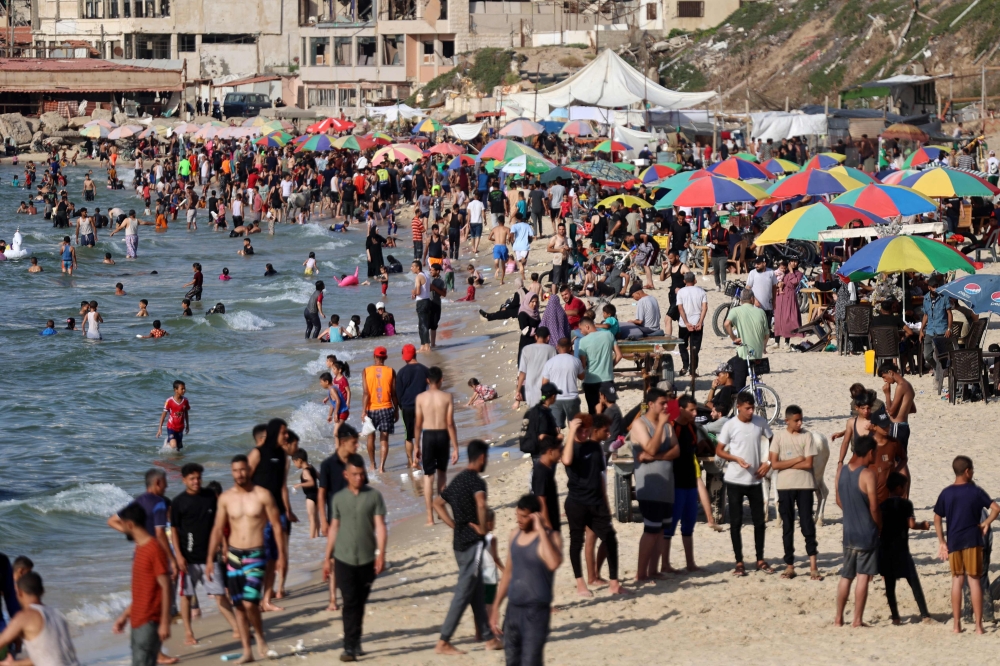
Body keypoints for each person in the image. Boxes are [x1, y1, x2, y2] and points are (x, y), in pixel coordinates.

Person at [206, 454, 285, 662]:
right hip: (233, 556)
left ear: (249, 470)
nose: (239, 474)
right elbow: (217, 529)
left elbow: (277, 526)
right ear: (231, 472)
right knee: (239, 606)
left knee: (250, 603)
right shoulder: (226, 498)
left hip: (256, 554)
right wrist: (209, 559)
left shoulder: (262, 495)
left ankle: (260, 638)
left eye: (242, 470)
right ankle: (247, 651)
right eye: (235, 471)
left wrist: (281, 555)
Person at [433, 440, 502, 655]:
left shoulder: (458, 480)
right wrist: (483, 529)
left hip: (459, 543)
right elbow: (481, 504)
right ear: (481, 457)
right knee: (463, 593)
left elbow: (437, 504)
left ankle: (489, 638)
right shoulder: (476, 482)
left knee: (476, 591)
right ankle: (444, 641)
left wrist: (454, 525)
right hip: (473, 545)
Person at [322, 453, 387, 662]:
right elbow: (334, 528)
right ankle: (349, 647)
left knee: (360, 601)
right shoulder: (338, 499)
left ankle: (356, 640)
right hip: (344, 558)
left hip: (367, 559)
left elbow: (380, 527)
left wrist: (381, 554)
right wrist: (327, 557)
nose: (359, 478)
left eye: (361, 474)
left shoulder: (374, 496)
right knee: (350, 601)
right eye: (354, 474)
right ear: (346, 475)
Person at [488, 494, 562, 666]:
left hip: (535, 612)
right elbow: (508, 573)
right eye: (517, 515)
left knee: (530, 661)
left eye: (524, 516)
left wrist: (541, 529)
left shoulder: (551, 538)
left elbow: (553, 563)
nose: (519, 520)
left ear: (535, 516)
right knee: (512, 661)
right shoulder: (514, 535)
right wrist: (496, 607)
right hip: (513, 610)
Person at [170, 463, 238, 646]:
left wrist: (224, 545)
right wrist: (178, 556)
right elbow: (174, 530)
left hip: (210, 558)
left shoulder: (210, 497)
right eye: (192, 478)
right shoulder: (178, 502)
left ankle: (236, 628)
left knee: (220, 594)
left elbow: (218, 523)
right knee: (186, 596)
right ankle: (188, 632)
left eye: (198, 478)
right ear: (184, 480)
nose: (196, 481)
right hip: (188, 560)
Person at [933, 455, 1000, 634]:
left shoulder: (946, 493)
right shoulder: (975, 491)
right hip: (973, 540)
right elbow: (996, 509)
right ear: (967, 471)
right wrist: (986, 523)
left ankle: (957, 625)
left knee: (957, 580)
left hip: (954, 541)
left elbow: (937, 518)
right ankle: (978, 626)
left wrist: (942, 542)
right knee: (974, 580)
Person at [562, 414, 625, 596]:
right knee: (576, 541)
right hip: (576, 502)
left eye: (586, 430)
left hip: (596, 502)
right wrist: (571, 432)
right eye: (580, 431)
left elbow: (600, 477)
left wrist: (605, 503)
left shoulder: (595, 446)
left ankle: (614, 584)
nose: (583, 434)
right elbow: (566, 460)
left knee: (610, 538)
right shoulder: (570, 447)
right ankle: (581, 583)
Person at [716, 393, 774, 576]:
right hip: (735, 480)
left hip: (755, 480)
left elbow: (773, 442)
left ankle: (760, 559)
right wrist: (735, 458)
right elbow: (719, 450)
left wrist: (768, 462)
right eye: (747, 408)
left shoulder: (760, 422)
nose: (751, 412)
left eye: (752, 408)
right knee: (736, 522)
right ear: (739, 407)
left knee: (759, 522)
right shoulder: (730, 425)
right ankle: (739, 562)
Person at [111, 503, 172, 666]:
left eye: (123, 525)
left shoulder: (153, 549)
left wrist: (165, 622)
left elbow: (166, 586)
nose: (122, 529)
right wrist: (124, 616)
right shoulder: (140, 548)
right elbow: (142, 591)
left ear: (130, 524)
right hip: (138, 620)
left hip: (149, 621)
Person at [630, 388, 679, 580]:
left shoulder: (667, 425)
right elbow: (649, 447)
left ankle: (654, 571)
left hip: (666, 486)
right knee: (651, 531)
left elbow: (676, 451)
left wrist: (657, 457)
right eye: (662, 403)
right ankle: (641, 573)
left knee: (661, 530)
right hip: (649, 486)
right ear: (651, 404)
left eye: (667, 403)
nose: (666, 406)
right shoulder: (639, 424)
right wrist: (660, 427)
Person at [768, 405, 821, 580]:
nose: (800, 423)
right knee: (787, 527)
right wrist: (797, 459)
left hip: (805, 485)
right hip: (785, 486)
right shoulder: (779, 437)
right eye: (796, 420)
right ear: (787, 421)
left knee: (807, 524)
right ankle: (789, 565)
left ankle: (813, 566)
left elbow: (808, 464)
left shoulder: (807, 436)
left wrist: (787, 463)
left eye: (801, 420)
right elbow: (774, 464)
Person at [247, 419, 294, 611]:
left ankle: (266, 600)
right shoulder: (257, 453)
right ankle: (256, 598)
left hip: (278, 513)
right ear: (275, 433)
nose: (287, 436)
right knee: (260, 558)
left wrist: (287, 510)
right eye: (284, 432)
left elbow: (282, 485)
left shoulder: (282, 455)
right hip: (260, 514)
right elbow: (244, 480)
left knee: (274, 558)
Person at [834, 435, 880, 628]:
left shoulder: (842, 471)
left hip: (849, 532)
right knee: (863, 576)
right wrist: (878, 526)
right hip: (865, 533)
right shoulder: (868, 474)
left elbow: (838, 500)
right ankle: (857, 619)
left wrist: (852, 512)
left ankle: (838, 618)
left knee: (846, 576)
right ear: (869, 452)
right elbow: (874, 507)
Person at [317, 424, 361, 612]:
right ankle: (333, 599)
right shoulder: (327, 465)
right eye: (354, 443)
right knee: (334, 560)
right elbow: (321, 494)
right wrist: (323, 520)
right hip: (334, 519)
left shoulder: (357, 462)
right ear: (343, 442)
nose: (357, 446)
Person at [880, 472, 932, 624]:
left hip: (886, 548)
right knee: (914, 582)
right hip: (901, 549)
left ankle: (895, 617)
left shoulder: (882, 505)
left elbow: (878, 526)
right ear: (898, 488)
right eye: (904, 487)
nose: (905, 490)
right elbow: (911, 524)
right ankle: (925, 615)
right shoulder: (906, 504)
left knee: (890, 585)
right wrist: (922, 526)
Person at [0, 571, 81, 666]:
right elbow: (47, 656)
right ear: (42, 591)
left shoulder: (24, 616)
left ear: (19, 592)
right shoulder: (57, 615)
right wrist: (13, 664)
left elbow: (2, 641)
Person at [415, 366, 460, 525]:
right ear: (441, 380)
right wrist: (455, 447)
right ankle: (441, 511)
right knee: (442, 474)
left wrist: (416, 446)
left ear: (427, 380)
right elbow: (450, 423)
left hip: (428, 436)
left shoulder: (420, 398)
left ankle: (430, 517)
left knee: (428, 476)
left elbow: (418, 424)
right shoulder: (447, 397)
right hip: (442, 435)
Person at [362, 346, 398, 474]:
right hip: (387, 408)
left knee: (370, 437)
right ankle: (382, 467)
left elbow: (366, 393)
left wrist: (363, 411)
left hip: (371, 409)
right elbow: (394, 394)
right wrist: (396, 410)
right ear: (385, 357)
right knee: (384, 438)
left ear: (374, 356)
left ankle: (372, 465)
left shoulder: (366, 371)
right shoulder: (391, 371)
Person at [723, 290, 770, 389]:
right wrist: (764, 347)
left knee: (729, 367)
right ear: (752, 299)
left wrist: (734, 338)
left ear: (741, 299)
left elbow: (726, 324)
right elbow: (767, 334)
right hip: (758, 355)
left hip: (744, 355)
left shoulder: (735, 310)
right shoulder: (761, 312)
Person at [577, 317, 622, 414]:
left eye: (581, 329)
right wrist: (610, 366)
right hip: (607, 379)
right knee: (610, 412)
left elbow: (583, 365)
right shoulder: (609, 335)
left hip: (590, 381)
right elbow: (619, 355)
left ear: (587, 326)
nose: (580, 332)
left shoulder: (583, 341)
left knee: (593, 412)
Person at [396, 344, 429, 469]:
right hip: (423, 406)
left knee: (409, 436)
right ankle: (423, 458)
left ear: (405, 357)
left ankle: (411, 461)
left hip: (407, 407)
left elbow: (398, 393)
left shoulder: (401, 372)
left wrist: (400, 406)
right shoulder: (425, 370)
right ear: (415, 354)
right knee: (423, 433)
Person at [541, 337, 585, 430]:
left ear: (557, 347)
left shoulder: (550, 362)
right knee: (574, 426)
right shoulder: (576, 361)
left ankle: (557, 439)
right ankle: (573, 439)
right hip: (572, 398)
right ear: (570, 347)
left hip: (555, 398)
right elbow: (582, 377)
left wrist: (544, 399)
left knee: (556, 427)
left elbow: (544, 383)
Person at [676, 271, 708, 377]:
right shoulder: (701, 291)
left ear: (684, 281)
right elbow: (704, 308)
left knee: (682, 345)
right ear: (695, 280)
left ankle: (685, 366)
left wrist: (686, 323)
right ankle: (692, 370)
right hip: (697, 323)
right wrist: (700, 322)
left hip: (684, 324)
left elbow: (680, 308)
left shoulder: (681, 292)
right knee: (695, 348)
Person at [773, 258, 804, 349]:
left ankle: (786, 342)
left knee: (788, 318)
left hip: (790, 296)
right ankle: (776, 342)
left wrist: (791, 271)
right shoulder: (782, 271)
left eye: (796, 261)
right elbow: (774, 280)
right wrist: (777, 284)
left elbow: (794, 282)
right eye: (792, 261)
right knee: (778, 318)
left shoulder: (798, 273)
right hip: (779, 296)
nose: (794, 263)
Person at [291, 450, 319, 539]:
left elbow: (311, 482)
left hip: (310, 497)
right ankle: (317, 537)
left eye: (294, 462)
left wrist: (299, 485)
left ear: (299, 460)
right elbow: (319, 476)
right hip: (317, 495)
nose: (294, 464)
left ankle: (312, 538)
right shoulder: (311, 467)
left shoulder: (305, 471)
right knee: (316, 518)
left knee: (311, 518)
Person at [156, 380, 189, 451]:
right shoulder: (169, 401)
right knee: (174, 445)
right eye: (182, 389)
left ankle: (170, 444)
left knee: (178, 449)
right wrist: (160, 428)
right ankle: (169, 441)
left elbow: (186, 413)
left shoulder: (185, 401)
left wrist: (187, 425)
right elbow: (163, 414)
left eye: (184, 388)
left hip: (180, 427)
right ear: (176, 390)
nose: (184, 390)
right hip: (171, 427)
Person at [488, 216, 511, 285]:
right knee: (503, 265)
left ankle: (497, 268)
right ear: (504, 221)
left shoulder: (494, 229)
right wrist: (508, 241)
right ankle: (501, 281)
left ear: (498, 222)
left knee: (496, 261)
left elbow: (489, 237)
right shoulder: (507, 229)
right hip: (503, 246)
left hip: (497, 246)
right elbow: (509, 236)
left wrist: (495, 239)